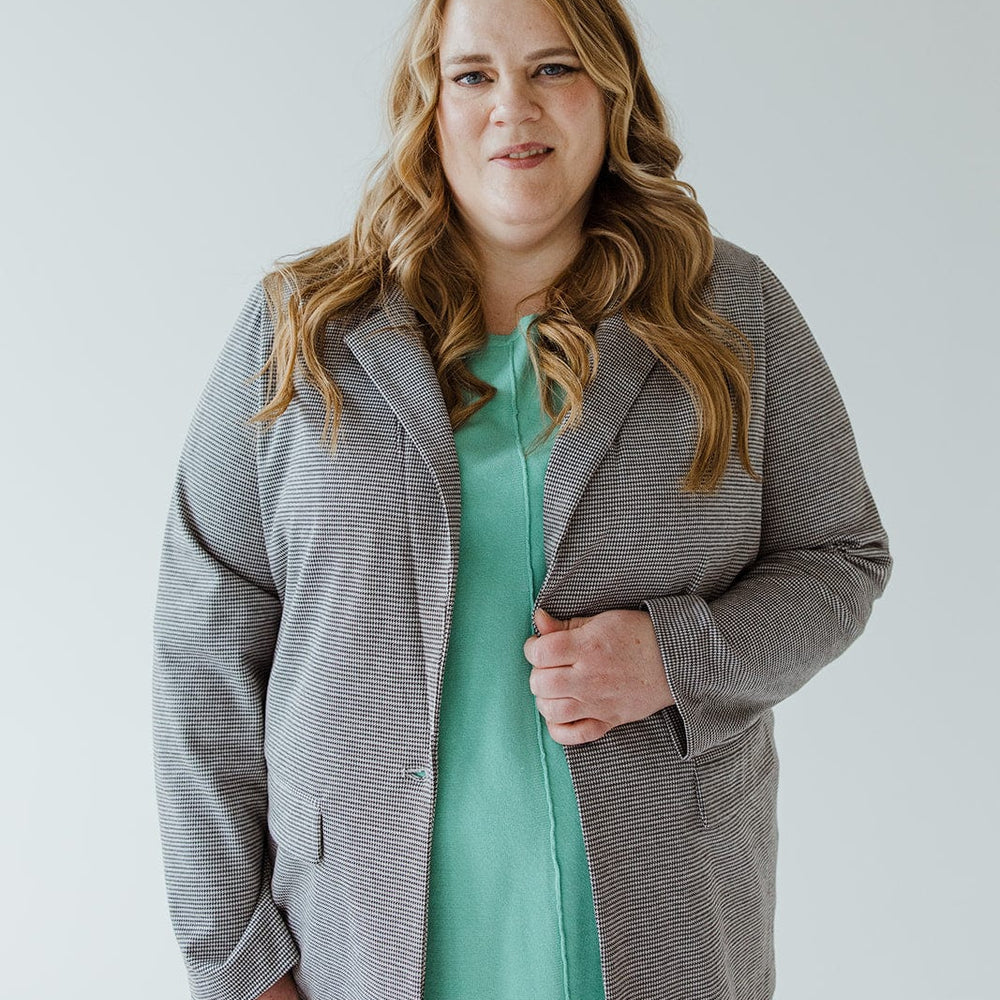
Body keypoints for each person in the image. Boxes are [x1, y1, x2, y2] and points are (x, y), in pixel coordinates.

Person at [152, 0, 891, 997]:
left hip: (659, 930)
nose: (514, 108)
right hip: (357, 947)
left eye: (553, 69)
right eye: (474, 75)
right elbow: (202, 651)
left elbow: (840, 561)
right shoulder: (302, 334)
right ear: (431, 101)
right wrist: (237, 966)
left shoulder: (733, 315)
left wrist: (672, 657)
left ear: (610, 88)